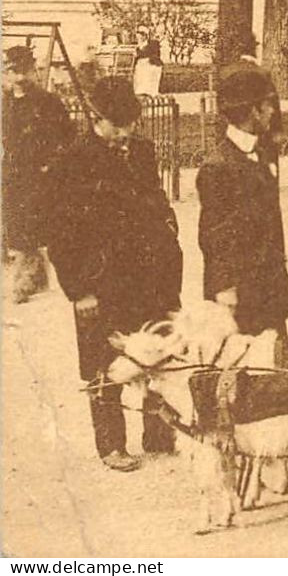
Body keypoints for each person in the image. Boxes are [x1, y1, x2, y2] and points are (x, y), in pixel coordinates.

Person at [49, 77, 183, 471]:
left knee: (157, 347)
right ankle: (111, 444)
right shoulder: (71, 159)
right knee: (101, 359)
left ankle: (158, 431)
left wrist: (168, 233)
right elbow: (60, 233)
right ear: (97, 118)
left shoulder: (141, 150)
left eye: (131, 124)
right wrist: (78, 290)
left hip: (150, 273)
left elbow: (156, 199)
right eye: (117, 125)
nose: (126, 134)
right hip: (100, 279)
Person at [196, 63, 288, 336]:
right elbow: (215, 235)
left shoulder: (261, 152)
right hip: (240, 294)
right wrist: (225, 289)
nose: (273, 111)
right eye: (268, 105)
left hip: (269, 288)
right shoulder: (218, 166)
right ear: (253, 111)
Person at [3, 45, 73, 302]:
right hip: (13, 173)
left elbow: (67, 137)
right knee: (19, 227)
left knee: (34, 228)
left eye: (23, 71)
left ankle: (25, 281)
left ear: (33, 70)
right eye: (11, 71)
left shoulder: (48, 102)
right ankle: (36, 275)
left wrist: (52, 164)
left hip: (41, 174)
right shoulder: (5, 102)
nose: (18, 77)